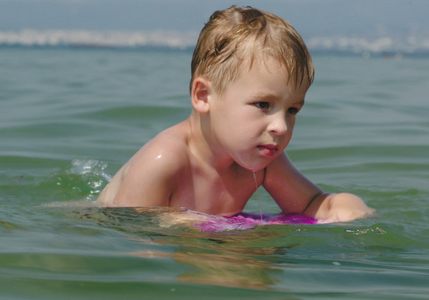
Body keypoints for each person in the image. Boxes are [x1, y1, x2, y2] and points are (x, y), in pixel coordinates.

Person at [96, 6, 374, 222]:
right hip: (93, 228)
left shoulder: (264, 162)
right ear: (204, 96)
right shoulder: (163, 161)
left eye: (292, 110)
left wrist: (342, 205)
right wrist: (188, 225)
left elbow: (310, 204)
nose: (281, 126)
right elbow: (132, 236)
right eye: (263, 105)